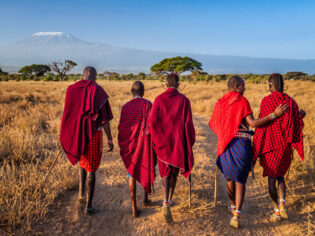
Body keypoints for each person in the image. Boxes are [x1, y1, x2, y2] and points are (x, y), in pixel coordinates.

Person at [209, 76, 288, 228]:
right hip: (241, 144)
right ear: (237, 87)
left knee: (230, 179)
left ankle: (232, 206)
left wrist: (226, 133)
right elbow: (252, 123)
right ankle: (237, 215)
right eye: (243, 86)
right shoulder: (241, 100)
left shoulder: (220, 103)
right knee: (240, 180)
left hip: (225, 145)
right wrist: (274, 115)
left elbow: (213, 124)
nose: (245, 88)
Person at [60, 66, 114, 215]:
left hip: (77, 134)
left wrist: (67, 134)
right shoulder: (98, 91)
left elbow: (68, 114)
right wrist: (110, 139)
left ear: (83, 75)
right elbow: (104, 120)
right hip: (93, 135)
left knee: (81, 163)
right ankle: (89, 206)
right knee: (91, 169)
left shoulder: (71, 89)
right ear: (95, 77)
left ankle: (80, 194)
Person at [253, 73, 305, 222]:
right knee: (281, 176)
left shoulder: (267, 101)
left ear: (270, 85)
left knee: (271, 179)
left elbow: (262, 124)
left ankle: (276, 211)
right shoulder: (291, 102)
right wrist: (300, 115)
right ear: (283, 85)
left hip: (270, 146)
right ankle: (283, 205)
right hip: (285, 148)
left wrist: (258, 145)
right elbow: (294, 124)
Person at [148, 73, 195, 223]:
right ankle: (169, 199)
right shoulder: (184, 100)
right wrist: (189, 141)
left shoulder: (159, 99)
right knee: (174, 171)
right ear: (179, 84)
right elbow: (188, 124)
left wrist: (156, 139)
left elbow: (152, 122)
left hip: (163, 143)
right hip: (178, 142)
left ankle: (164, 202)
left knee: (165, 173)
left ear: (166, 84)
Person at [118, 81, 156, 218]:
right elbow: (153, 126)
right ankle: (145, 198)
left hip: (130, 146)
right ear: (143, 91)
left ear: (131, 92)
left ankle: (134, 207)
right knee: (147, 166)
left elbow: (121, 128)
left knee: (131, 172)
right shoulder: (148, 105)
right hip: (145, 145)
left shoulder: (125, 107)